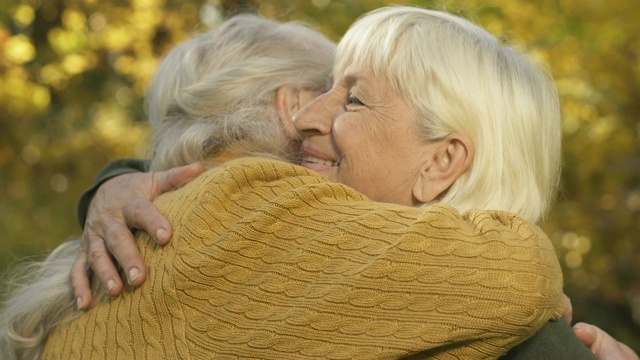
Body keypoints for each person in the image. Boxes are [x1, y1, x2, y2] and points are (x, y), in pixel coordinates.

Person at [0, 7, 623, 360]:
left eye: (349, 96)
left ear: (442, 162)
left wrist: (111, 185)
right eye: (317, 88)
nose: (307, 118)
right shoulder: (254, 210)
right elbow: (519, 269)